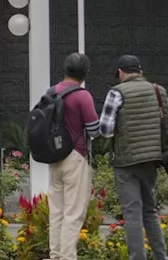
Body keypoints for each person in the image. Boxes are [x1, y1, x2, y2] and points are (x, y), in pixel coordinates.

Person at [98, 55, 168, 260]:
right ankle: (161, 257)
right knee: (149, 211)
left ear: (121, 72)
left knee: (132, 212)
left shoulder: (117, 92)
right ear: (140, 71)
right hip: (151, 160)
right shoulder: (159, 91)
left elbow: (105, 129)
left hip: (126, 162)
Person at [48, 53, 101, 260]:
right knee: (74, 212)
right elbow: (94, 129)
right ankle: (68, 256)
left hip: (54, 157)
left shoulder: (51, 92)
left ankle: (55, 254)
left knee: (57, 211)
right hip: (76, 156)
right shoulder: (82, 95)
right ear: (85, 73)